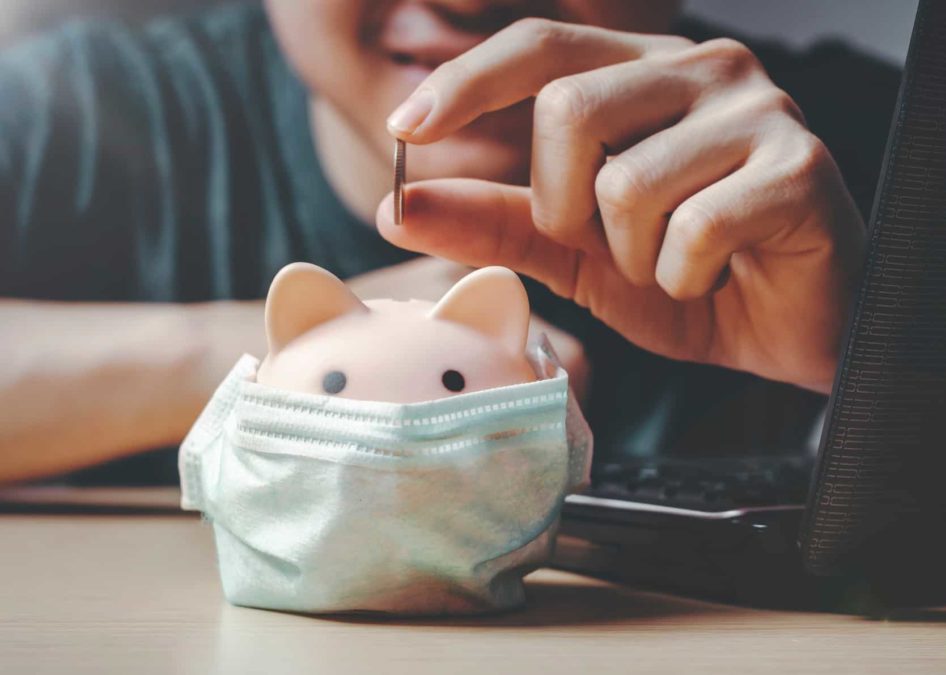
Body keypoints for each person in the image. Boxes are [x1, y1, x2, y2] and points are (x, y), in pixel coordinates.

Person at [0, 0, 900, 484]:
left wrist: (862, 359)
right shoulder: (69, 111)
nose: (467, 3)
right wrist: (313, 357)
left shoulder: (889, 150)